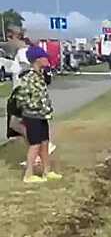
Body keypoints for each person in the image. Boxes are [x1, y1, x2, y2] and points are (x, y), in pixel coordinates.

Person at [14, 46, 62, 183]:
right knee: (34, 144)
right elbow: (21, 97)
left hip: (42, 115)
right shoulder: (28, 77)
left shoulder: (40, 74)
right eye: (45, 57)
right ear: (37, 60)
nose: (47, 60)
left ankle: (47, 171)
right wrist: (34, 107)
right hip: (32, 115)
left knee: (45, 142)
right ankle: (28, 174)